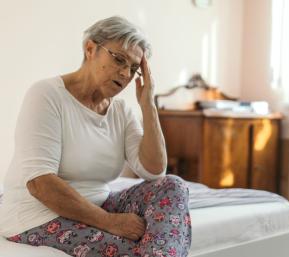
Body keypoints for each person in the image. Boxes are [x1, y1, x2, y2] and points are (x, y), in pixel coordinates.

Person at [0, 16, 191, 257]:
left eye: (133, 68)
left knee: (173, 186)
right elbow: (40, 184)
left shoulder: (121, 111)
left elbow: (154, 171)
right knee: (130, 249)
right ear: (90, 49)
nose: (125, 73)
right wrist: (110, 222)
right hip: (36, 215)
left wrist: (148, 104)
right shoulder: (46, 95)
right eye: (119, 60)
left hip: (99, 204)